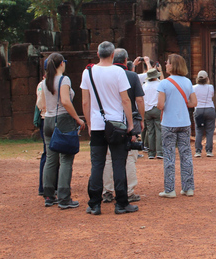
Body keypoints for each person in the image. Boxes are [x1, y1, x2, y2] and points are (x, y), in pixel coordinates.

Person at [80, 41, 137, 215]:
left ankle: (94, 204)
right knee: (119, 163)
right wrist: (131, 124)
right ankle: (121, 203)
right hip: (117, 125)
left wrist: (90, 123)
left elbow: (85, 101)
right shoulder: (118, 72)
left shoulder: (88, 72)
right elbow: (126, 100)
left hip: (98, 125)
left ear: (98, 54)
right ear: (113, 55)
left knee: (97, 164)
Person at [41, 53, 86, 208]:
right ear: (61, 64)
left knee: (51, 158)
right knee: (66, 159)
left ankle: (48, 195)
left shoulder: (46, 80)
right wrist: (77, 119)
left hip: (48, 120)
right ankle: (64, 197)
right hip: (62, 120)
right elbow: (65, 101)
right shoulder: (63, 79)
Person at [101, 48, 145, 204]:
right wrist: (141, 118)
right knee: (130, 158)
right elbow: (139, 100)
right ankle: (128, 191)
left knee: (108, 157)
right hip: (128, 120)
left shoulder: (103, 74)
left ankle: (107, 191)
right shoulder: (132, 76)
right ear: (126, 60)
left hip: (108, 122)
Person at [157, 54, 197, 197]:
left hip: (168, 123)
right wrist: (181, 103)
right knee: (186, 155)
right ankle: (188, 188)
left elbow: (160, 105)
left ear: (172, 65)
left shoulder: (164, 83)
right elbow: (193, 103)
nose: (165, 65)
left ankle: (169, 189)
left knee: (169, 156)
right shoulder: (187, 82)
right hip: (184, 122)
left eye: (167, 63)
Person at [193, 70, 216, 157]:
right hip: (209, 109)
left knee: (199, 131)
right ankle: (209, 151)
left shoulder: (194, 87)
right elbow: (212, 95)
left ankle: (198, 151)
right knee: (210, 131)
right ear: (207, 78)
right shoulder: (210, 87)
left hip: (198, 109)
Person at [142, 67, 163, 159]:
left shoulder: (144, 85)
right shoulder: (159, 84)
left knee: (150, 131)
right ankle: (159, 152)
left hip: (147, 109)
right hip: (157, 108)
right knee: (159, 130)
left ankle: (151, 152)